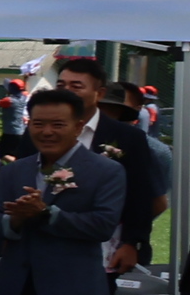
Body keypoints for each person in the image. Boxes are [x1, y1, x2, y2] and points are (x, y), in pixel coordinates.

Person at [0, 89, 125, 295]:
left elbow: (102, 226)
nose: (46, 132)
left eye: (58, 124)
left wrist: (46, 213)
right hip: (14, 292)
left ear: (78, 127)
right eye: (38, 124)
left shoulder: (106, 171)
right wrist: (16, 220)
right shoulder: (14, 170)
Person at [52, 55, 166, 273]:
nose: (66, 91)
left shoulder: (127, 138)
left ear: (99, 93)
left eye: (76, 86)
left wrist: (132, 242)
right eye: (61, 85)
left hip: (104, 243)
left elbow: (139, 194)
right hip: (48, 235)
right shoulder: (39, 131)